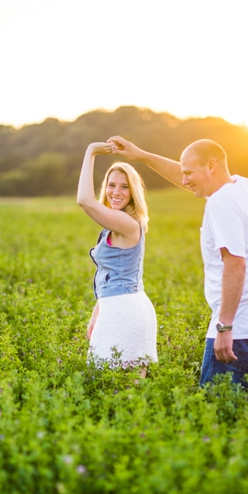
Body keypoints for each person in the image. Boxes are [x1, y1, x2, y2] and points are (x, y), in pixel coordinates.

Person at [107, 136, 248, 400]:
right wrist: (141, 155)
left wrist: (224, 327)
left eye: (189, 173)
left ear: (211, 166)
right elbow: (187, 176)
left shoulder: (220, 203)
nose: (185, 180)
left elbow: (235, 264)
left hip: (239, 330)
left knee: (215, 410)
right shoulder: (243, 187)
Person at [77, 142, 157, 370]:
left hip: (126, 311)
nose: (116, 192)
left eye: (124, 187)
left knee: (118, 388)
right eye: (111, 185)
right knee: (113, 388)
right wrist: (97, 314)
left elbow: (84, 200)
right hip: (118, 307)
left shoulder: (126, 223)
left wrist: (91, 150)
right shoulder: (115, 224)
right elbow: (112, 275)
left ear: (133, 193)